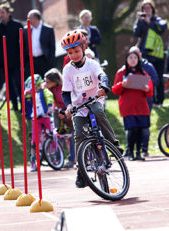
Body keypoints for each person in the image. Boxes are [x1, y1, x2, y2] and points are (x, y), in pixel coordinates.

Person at [61, 30, 123, 188]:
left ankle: (113, 143)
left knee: (98, 112)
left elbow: (102, 76)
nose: (74, 55)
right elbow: (65, 92)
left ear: (83, 48)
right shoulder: (67, 69)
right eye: (70, 53)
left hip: (95, 99)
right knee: (79, 135)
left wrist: (103, 86)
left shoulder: (92, 63)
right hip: (78, 106)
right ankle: (81, 169)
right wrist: (68, 106)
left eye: (76, 51)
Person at [112, 50, 154, 160]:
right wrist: (122, 84)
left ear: (138, 59)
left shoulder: (143, 73)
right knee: (132, 129)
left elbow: (150, 93)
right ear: (126, 59)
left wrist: (147, 89)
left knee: (140, 130)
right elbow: (115, 90)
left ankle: (138, 153)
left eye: (135, 58)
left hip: (141, 107)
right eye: (130, 57)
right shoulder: (121, 73)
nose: (133, 60)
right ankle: (130, 153)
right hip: (128, 106)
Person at [133, 0, 167, 106]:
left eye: (148, 8)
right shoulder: (141, 21)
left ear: (152, 9)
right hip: (145, 53)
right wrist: (139, 21)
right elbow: (136, 33)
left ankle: (160, 101)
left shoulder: (157, 19)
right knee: (145, 76)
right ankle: (147, 99)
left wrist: (150, 22)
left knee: (159, 77)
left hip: (158, 54)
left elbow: (162, 28)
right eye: (144, 8)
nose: (147, 10)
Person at [44, 68, 75, 168]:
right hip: (57, 112)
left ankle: (72, 159)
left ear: (55, 81)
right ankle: (58, 158)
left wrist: (65, 111)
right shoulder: (49, 88)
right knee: (57, 135)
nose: (46, 83)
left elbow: (71, 100)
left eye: (48, 81)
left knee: (73, 136)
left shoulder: (64, 87)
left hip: (69, 111)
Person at [0, 3, 23, 111]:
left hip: (16, 61)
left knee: (19, 83)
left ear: (8, 13)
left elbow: (22, 43)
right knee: (9, 85)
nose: (1, 15)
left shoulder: (17, 25)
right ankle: (15, 105)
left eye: (3, 12)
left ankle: (23, 104)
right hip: (4, 61)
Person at [24, 75, 53, 172]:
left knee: (50, 135)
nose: (36, 89)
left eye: (37, 86)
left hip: (45, 116)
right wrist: (27, 92)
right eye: (34, 88)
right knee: (34, 141)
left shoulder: (44, 91)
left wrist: (49, 106)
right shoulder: (31, 93)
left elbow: (49, 96)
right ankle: (32, 162)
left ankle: (52, 155)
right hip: (35, 118)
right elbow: (26, 95)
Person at [24, 9, 56, 78]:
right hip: (31, 61)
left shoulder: (48, 29)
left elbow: (52, 47)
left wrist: (51, 61)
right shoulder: (25, 30)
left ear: (35, 18)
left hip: (44, 61)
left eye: (29, 18)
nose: (28, 20)